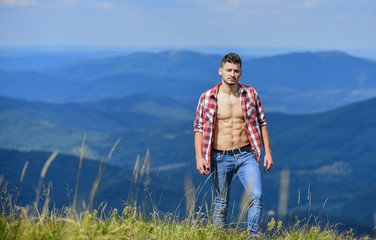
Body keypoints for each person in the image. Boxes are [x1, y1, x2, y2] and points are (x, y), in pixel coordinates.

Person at [193, 52, 273, 236]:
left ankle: (253, 236)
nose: (232, 74)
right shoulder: (207, 97)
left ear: (241, 73)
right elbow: (198, 127)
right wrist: (199, 157)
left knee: (256, 197)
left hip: (246, 154)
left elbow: (262, 122)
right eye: (229, 70)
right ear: (220, 71)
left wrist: (268, 152)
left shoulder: (250, 94)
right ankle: (221, 236)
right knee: (221, 203)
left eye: (236, 71)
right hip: (219, 156)